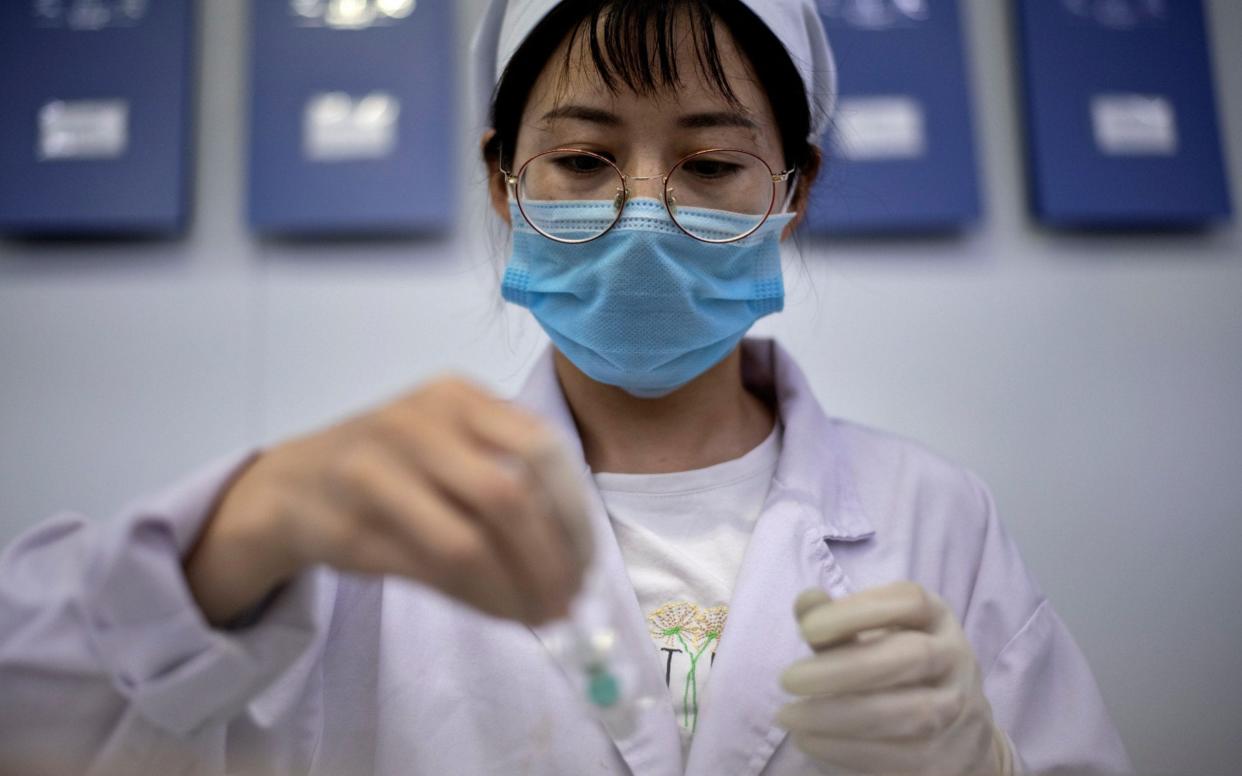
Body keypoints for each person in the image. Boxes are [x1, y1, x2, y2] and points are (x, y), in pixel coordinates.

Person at [0, 1, 1134, 774]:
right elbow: (37, 717)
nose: (644, 211)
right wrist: (235, 529)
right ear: (503, 180)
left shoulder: (937, 514)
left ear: (791, 192)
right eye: (585, 160)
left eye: (710, 162)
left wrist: (985, 761)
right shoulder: (371, 523)